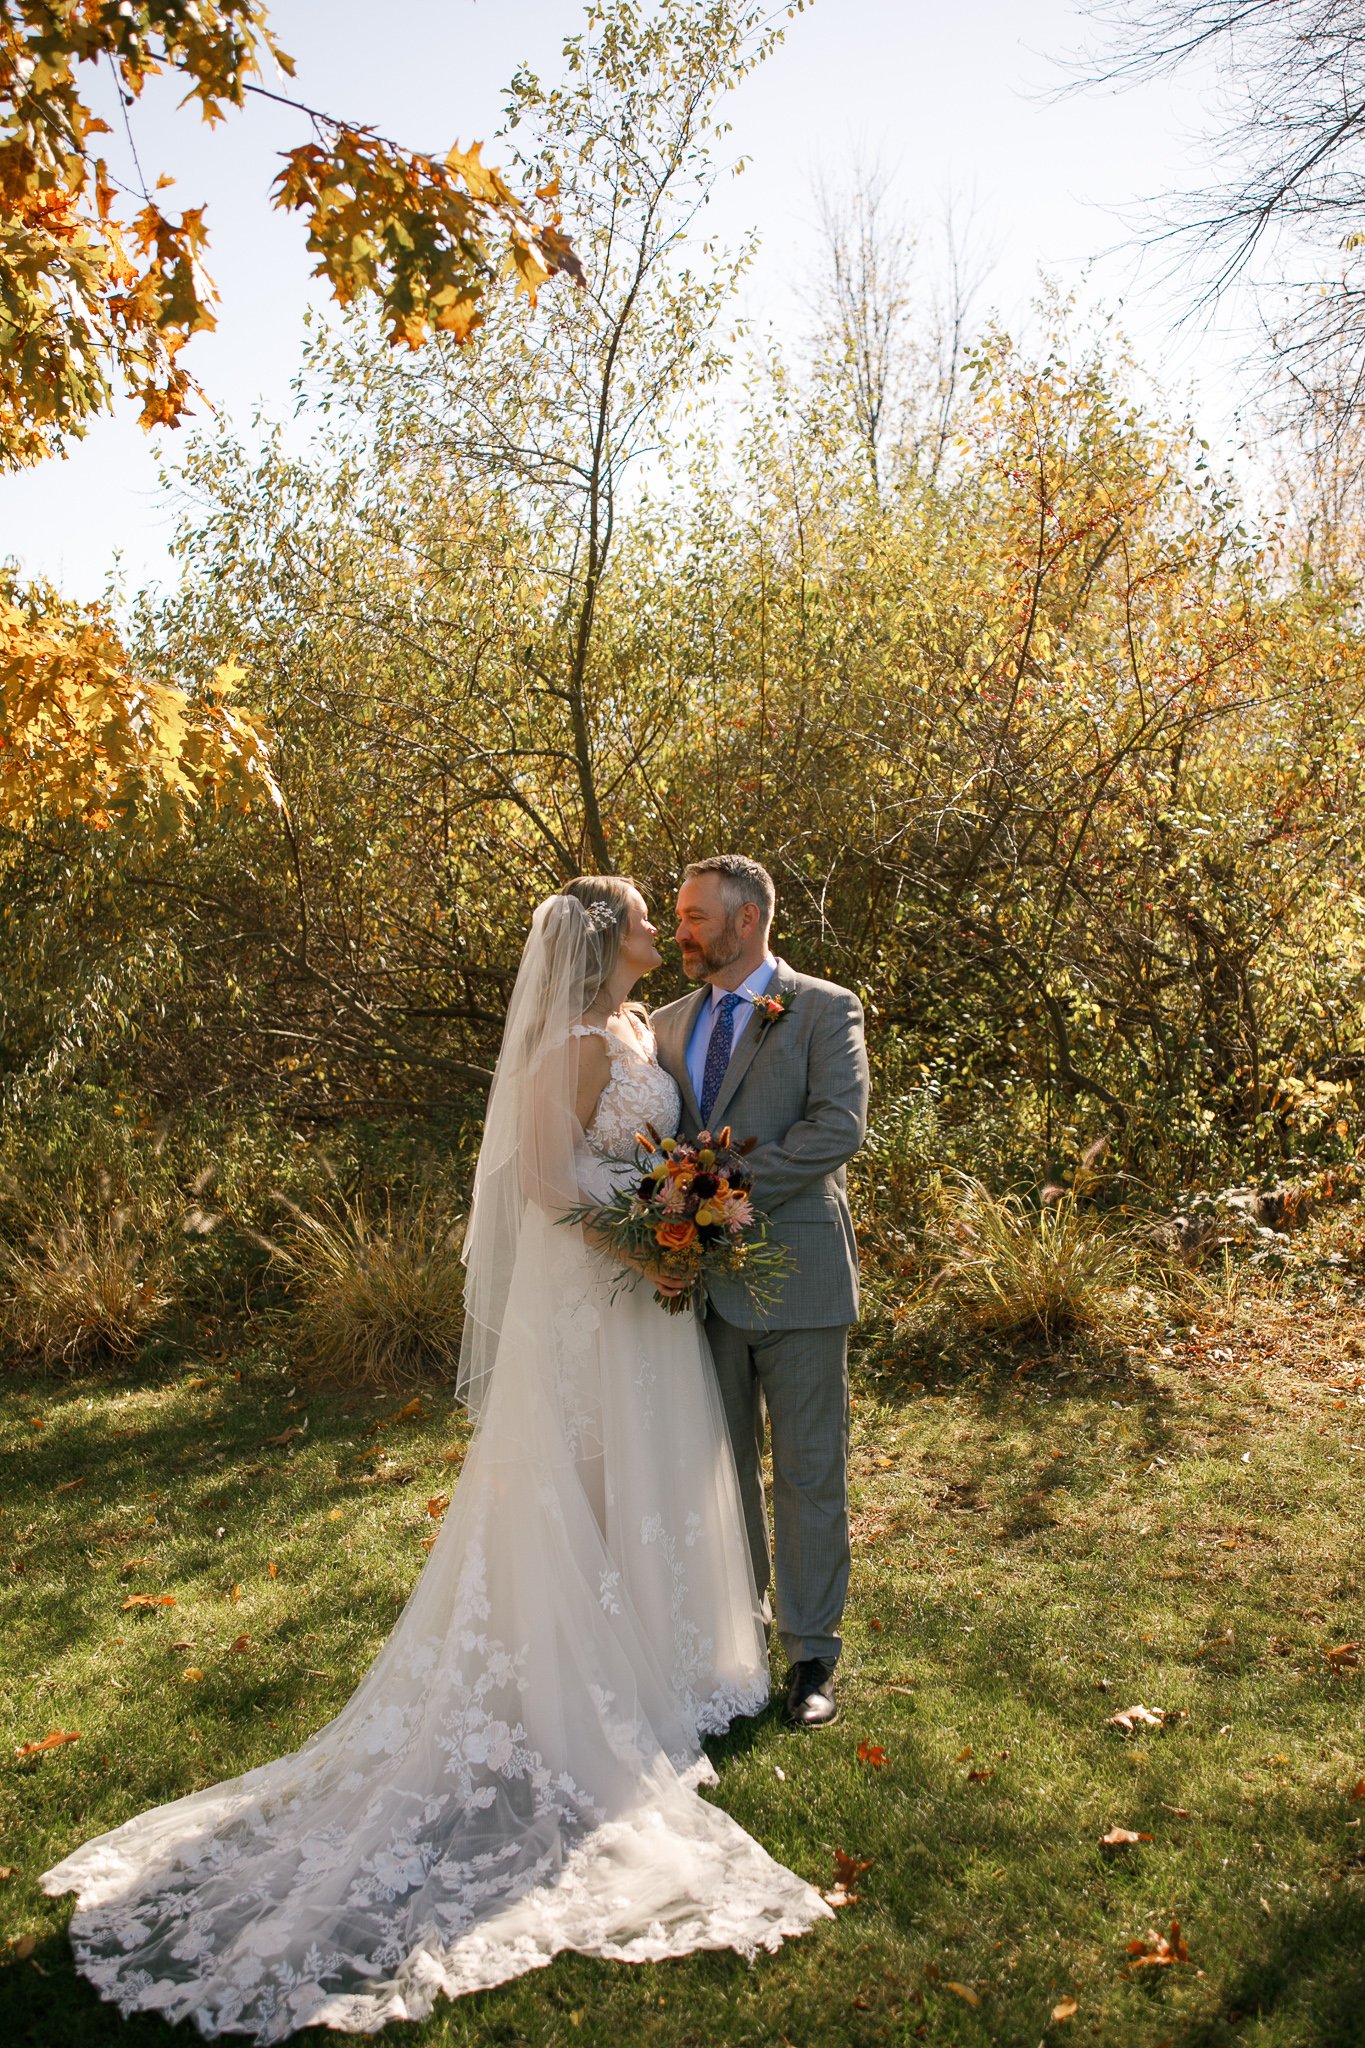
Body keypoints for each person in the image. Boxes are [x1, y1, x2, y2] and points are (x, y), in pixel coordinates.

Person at [41, 879, 830, 2044]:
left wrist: (682, 1213)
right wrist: (663, 1215)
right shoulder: (569, 1043)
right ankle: (575, 1685)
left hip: (641, 1288)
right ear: (605, 940)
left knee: (643, 1478)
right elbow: (547, 1181)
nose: (663, 929)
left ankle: (653, 1663)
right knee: (581, 1483)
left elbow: (656, 1137)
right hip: (594, 1291)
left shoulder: (632, 1027)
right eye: (645, 917)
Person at [652, 857, 868, 1731]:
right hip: (696, 1290)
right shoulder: (664, 1024)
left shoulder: (824, 1007)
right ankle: (737, 1646)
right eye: (677, 916)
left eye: (695, 917)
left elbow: (836, 1128)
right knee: (718, 1474)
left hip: (802, 1275)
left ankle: (811, 1656)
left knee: (810, 1474)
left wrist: (718, 1188)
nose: (680, 932)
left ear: (746, 922)